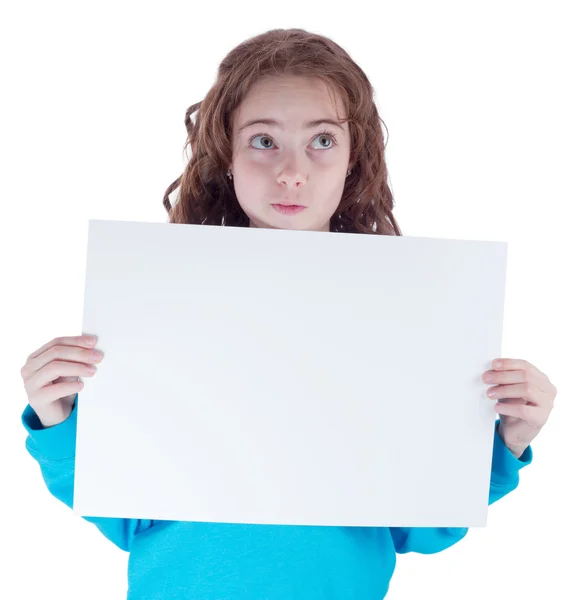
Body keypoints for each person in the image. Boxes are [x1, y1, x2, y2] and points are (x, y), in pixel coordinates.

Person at [20, 27, 557, 600]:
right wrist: (60, 422)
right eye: (263, 140)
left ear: (356, 159)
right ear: (226, 152)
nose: (292, 171)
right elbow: (126, 521)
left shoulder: (411, 321)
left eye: (322, 140)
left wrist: (506, 443)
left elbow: (418, 530)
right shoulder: (155, 307)